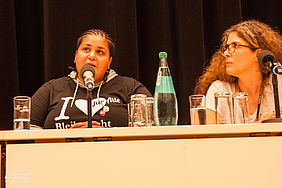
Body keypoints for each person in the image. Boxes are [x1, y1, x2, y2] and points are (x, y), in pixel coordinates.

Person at [31, 29, 151, 129]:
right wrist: (65, 137)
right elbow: (27, 132)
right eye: (86, 49)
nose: (92, 56)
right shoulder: (51, 88)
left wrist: (109, 135)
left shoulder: (131, 87)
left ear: (109, 62)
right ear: (76, 56)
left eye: (100, 52)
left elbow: (153, 128)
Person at [194, 20, 282, 124]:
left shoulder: (278, 84)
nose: (226, 53)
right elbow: (210, 136)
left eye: (235, 46)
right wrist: (260, 125)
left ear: (258, 54)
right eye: (227, 47)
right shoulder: (219, 90)